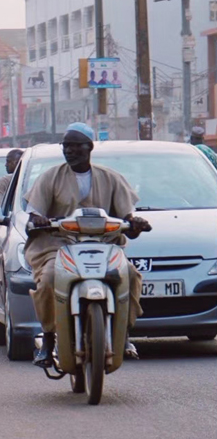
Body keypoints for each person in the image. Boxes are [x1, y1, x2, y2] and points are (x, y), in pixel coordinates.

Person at [26, 123, 151, 366]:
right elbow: (34, 215)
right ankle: (49, 338)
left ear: (89, 147)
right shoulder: (50, 177)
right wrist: (39, 219)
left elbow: (127, 217)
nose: (69, 151)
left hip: (104, 246)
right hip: (58, 246)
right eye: (66, 146)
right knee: (50, 278)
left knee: (130, 275)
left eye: (75, 146)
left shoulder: (110, 177)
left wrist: (134, 223)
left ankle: (123, 334)